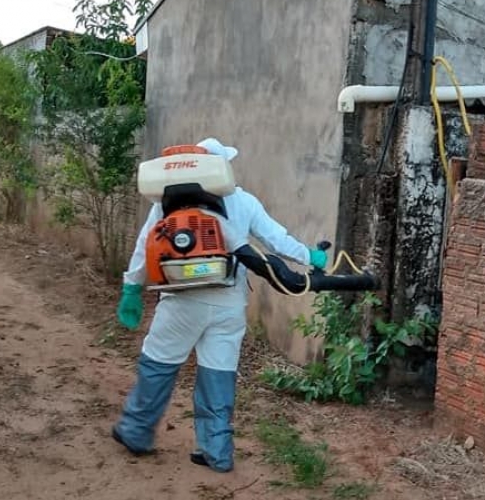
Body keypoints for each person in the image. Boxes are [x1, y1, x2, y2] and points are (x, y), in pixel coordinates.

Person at [111, 137, 328, 473]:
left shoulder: (167, 204)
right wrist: (309, 255)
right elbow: (276, 239)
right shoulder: (243, 201)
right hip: (228, 304)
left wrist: (131, 288)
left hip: (182, 302)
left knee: (158, 365)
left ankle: (136, 431)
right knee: (218, 374)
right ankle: (217, 451)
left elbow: (144, 247)